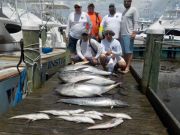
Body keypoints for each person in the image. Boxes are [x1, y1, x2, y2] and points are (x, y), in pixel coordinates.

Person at [120, 0, 139, 74]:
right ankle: (125, 66)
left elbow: (136, 22)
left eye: (127, 1)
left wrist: (134, 32)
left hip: (129, 34)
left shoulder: (133, 10)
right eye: (124, 1)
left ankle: (128, 67)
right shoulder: (124, 11)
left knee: (129, 52)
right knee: (124, 52)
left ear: (131, 2)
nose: (126, 3)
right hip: (122, 35)